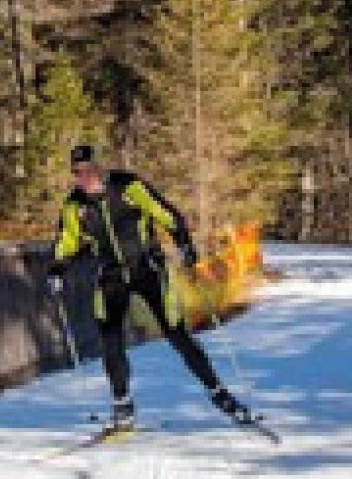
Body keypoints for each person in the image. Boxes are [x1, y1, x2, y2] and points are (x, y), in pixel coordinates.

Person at [47, 143, 251, 432]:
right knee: (110, 339)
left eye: (88, 170)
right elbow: (66, 241)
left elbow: (166, 213)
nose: (83, 178)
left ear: (99, 168)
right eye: (77, 173)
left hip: (147, 268)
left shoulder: (128, 186)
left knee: (177, 332)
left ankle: (219, 392)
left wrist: (184, 243)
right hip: (111, 274)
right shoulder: (74, 206)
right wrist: (56, 268)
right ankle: (123, 405)